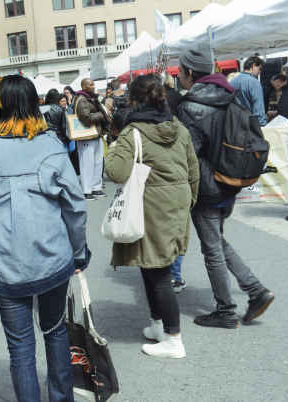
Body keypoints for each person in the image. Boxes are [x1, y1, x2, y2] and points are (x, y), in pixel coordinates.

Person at [0, 75, 90, 402]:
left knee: (20, 346)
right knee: (55, 333)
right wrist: (78, 251)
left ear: (1, 107)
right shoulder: (51, 144)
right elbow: (75, 206)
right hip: (52, 255)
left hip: (4, 261)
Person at [177, 48, 275, 328]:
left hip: (207, 186)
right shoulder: (229, 94)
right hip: (233, 178)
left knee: (212, 249)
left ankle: (226, 310)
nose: (180, 77)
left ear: (191, 74)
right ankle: (256, 291)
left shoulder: (190, 105)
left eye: (181, 72)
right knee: (217, 241)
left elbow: (189, 154)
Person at [105, 74, 199, 358]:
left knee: (158, 273)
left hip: (151, 204)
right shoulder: (178, 128)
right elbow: (192, 170)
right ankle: (158, 326)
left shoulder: (133, 132)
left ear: (133, 100)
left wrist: (111, 152)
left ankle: (174, 338)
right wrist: (187, 203)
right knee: (152, 266)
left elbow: (117, 172)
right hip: (177, 201)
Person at [74, 78, 109, 199]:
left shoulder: (91, 98)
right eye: (90, 84)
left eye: (93, 84)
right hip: (86, 136)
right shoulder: (81, 99)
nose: (93, 86)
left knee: (98, 162)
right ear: (84, 86)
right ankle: (87, 189)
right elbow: (86, 118)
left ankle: (96, 187)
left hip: (96, 134)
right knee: (87, 163)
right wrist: (102, 114)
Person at [230, 56, 267, 126]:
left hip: (235, 124)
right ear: (253, 66)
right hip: (250, 126)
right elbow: (258, 108)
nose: (260, 72)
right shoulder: (254, 82)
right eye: (260, 69)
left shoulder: (232, 81)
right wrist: (261, 125)